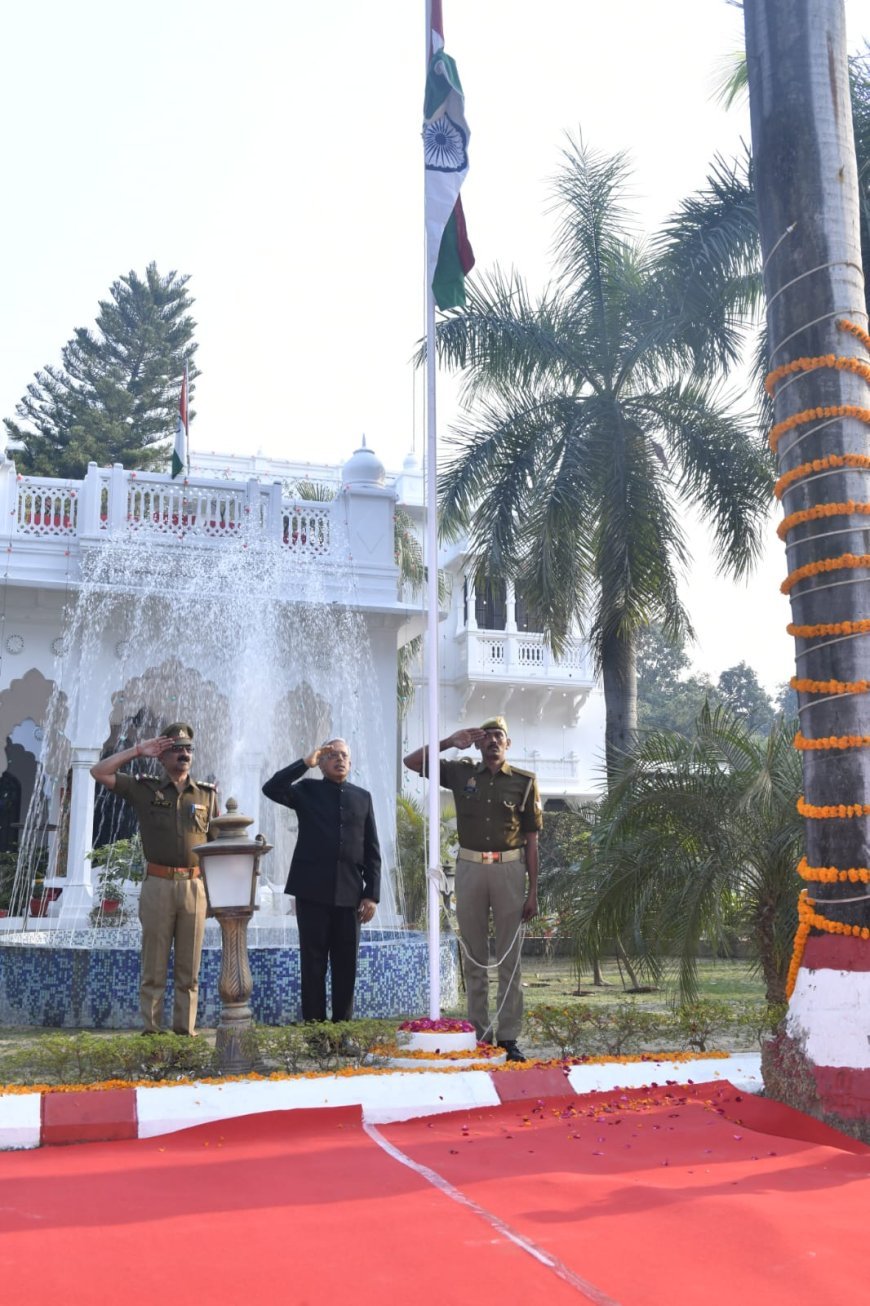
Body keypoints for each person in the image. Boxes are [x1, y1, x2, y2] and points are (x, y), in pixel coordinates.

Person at [403, 716, 541, 1061]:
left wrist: (533, 891)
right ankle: (479, 1034)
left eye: (500, 736)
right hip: (469, 868)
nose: (493, 741)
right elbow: (412, 762)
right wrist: (451, 740)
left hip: (510, 869)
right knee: (474, 955)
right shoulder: (460, 773)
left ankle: (507, 1037)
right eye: (487, 737)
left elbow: (532, 841)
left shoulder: (524, 782)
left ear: (508, 745)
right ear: (478, 744)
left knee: (509, 957)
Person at [90, 722, 219, 1035]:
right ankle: (152, 1033)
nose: (184, 755)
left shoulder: (206, 794)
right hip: (158, 885)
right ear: (162, 757)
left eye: (187, 749)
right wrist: (137, 750)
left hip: (194, 887)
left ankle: (184, 1034)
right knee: (154, 968)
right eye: (176, 750)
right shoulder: (144, 788)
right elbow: (99, 772)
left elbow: (216, 848)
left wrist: (214, 897)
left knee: (190, 971)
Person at [262, 738, 380, 1023]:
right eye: (332, 755)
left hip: (351, 894)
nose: (339, 759)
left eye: (344, 756)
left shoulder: (362, 797)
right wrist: (305, 762)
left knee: (345, 965)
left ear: (350, 763)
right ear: (322, 762)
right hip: (312, 891)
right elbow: (271, 788)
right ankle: (315, 1032)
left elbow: (372, 850)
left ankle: (341, 1030)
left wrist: (371, 894)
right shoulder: (307, 790)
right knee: (313, 964)